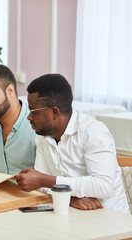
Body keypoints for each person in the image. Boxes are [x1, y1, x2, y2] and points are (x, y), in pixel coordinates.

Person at [14, 73, 130, 214]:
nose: (29, 117)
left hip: (110, 219)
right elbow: (41, 185)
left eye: (33, 112)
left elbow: (103, 186)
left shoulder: (92, 132)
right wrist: (71, 199)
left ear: (54, 112)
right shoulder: (43, 136)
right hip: (72, 213)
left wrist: (46, 180)